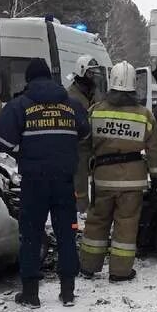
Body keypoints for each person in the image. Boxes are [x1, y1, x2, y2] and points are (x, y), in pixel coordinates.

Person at [0, 58, 91, 308]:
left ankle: (31, 294)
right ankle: (67, 291)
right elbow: (85, 133)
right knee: (67, 232)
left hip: (34, 181)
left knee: (31, 234)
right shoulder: (72, 105)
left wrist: (20, 148)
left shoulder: (20, 105)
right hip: (64, 180)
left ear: (29, 80)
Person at [79, 61, 157, 282]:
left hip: (103, 179)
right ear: (133, 86)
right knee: (126, 225)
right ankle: (120, 271)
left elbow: (85, 146)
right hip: (132, 180)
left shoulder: (95, 111)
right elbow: (154, 150)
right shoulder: (144, 115)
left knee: (97, 221)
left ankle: (89, 266)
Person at [68, 55, 102, 213]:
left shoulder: (97, 94)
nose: (93, 77)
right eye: (90, 73)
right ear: (81, 73)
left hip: (97, 146)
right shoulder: (69, 97)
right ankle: (79, 212)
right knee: (79, 184)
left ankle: (96, 211)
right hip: (78, 147)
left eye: (95, 73)